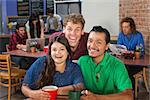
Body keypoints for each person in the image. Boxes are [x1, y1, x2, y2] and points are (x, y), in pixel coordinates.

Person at [78, 26, 133, 100]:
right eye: (90, 41)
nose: (92, 46)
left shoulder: (117, 65)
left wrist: (96, 98)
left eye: (99, 42)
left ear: (107, 46)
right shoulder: (82, 61)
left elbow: (128, 96)